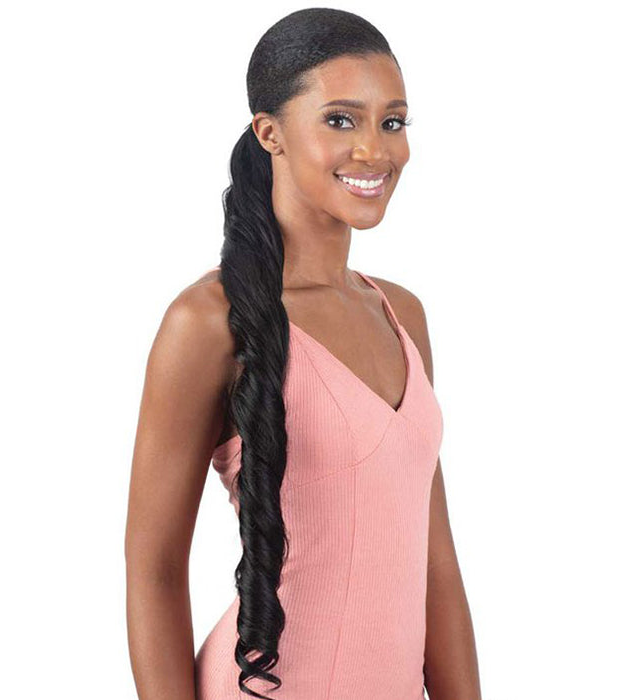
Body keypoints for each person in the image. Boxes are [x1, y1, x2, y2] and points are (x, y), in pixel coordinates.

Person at [125, 8, 482, 700]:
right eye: (341, 120)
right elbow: (154, 570)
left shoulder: (402, 315)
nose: (374, 150)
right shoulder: (207, 322)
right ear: (270, 133)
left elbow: (434, 562)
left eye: (393, 122)